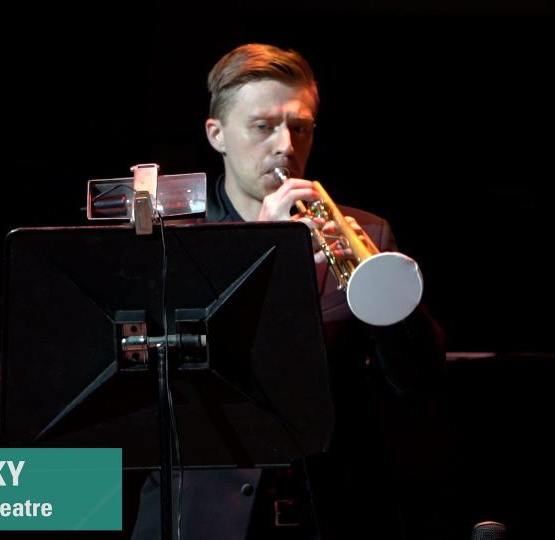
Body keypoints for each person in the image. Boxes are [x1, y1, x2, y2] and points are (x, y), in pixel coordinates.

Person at [133, 43, 448, 540]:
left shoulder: (367, 232)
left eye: (299, 128)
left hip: (330, 510)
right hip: (200, 519)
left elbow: (416, 381)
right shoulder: (172, 242)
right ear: (216, 135)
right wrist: (263, 251)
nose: (285, 145)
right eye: (263, 127)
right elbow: (172, 386)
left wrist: (392, 299)